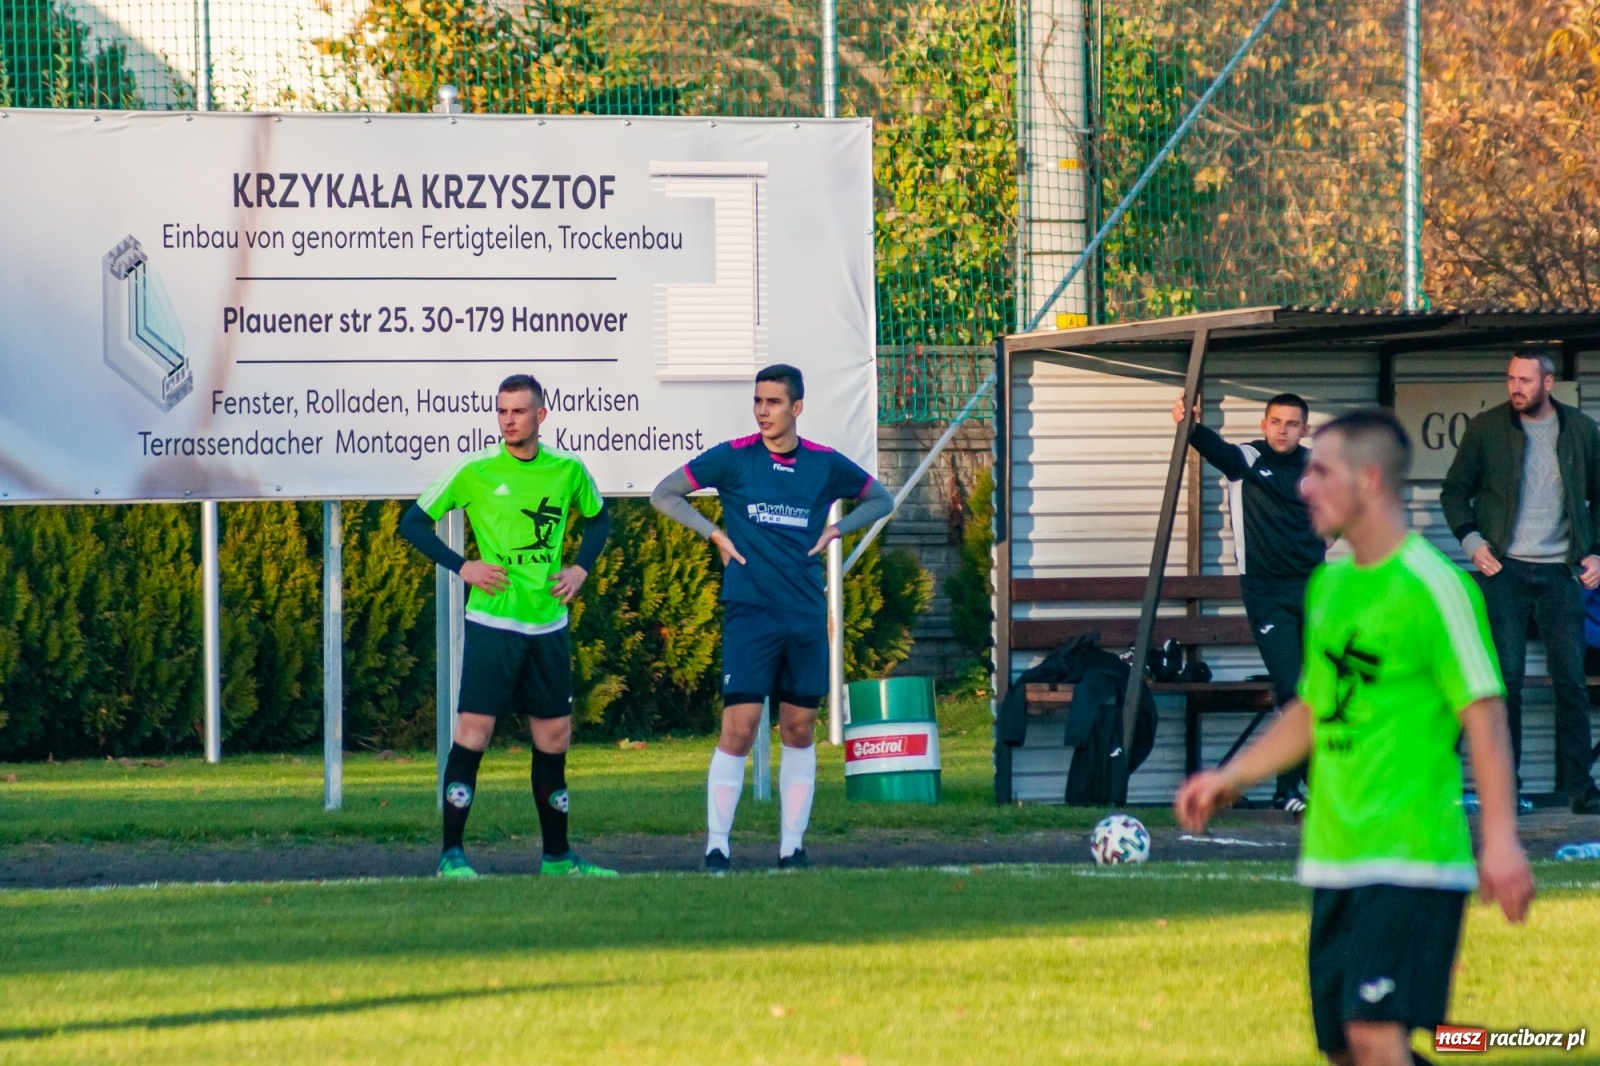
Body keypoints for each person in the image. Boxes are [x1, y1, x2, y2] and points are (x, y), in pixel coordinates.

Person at [1176, 409, 1535, 1066]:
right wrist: (1233, 778)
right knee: (1345, 1047)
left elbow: (1483, 717)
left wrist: (1504, 842)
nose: (1304, 485)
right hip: (1336, 855)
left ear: (1368, 481)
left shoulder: (1435, 587)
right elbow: (1314, 710)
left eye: (1319, 471)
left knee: (1375, 1036)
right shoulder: (1330, 584)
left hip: (1411, 856)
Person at [650, 364, 894, 873]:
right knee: (739, 728)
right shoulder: (735, 458)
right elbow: (664, 492)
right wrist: (712, 533)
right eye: (758, 401)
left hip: (805, 614)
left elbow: (880, 499)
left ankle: (792, 849)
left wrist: (837, 530)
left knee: (799, 730)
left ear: (797, 407)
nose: (763, 411)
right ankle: (717, 846)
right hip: (750, 614)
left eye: (774, 402)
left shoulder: (824, 464)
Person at [400, 373, 617, 878]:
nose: (508, 420)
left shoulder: (567, 470)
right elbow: (412, 522)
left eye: (518, 411)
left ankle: (558, 857)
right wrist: (464, 567)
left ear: (541, 415)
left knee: (555, 737)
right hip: (493, 624)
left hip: (547, 625)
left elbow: (599, 519)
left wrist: (581, 567)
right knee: (474, 733)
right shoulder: (475, 471)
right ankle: (451, 855)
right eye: (502, 411)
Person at [1440, 348, 1600, 815]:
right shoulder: (1487, 429)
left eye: (1526, 380)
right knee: (1504, 680)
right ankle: (1504, 787)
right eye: (1512, 378)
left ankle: (1581, 788)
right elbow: (1455, 492)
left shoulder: (1581, 431)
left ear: (1548, 384)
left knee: (1570, 681)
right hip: (1505, 572)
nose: (1516, 388)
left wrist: (1596, 553)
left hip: (1561, 574)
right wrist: (1473, 544)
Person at [1173, 390, 1324, 811]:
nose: (1283, 430)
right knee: (1293, 687)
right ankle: (1288, 790)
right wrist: (1190, 424)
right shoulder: (1249, 459)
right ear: (1264, 425)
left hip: (1316, 590)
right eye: (1276, 421)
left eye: (1292, 423)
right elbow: (1214, 449)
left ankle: (1312, 786)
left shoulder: (1317, 466)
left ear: (1304, 429)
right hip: (1266, 594)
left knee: (1319, 690)